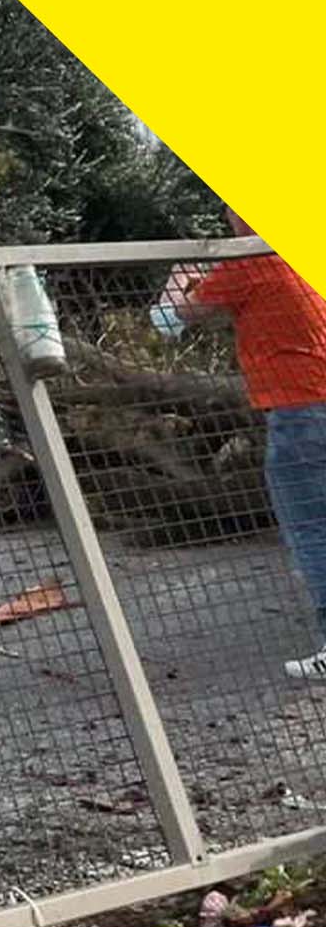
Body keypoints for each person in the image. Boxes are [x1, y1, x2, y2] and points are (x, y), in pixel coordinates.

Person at [156, 208, 326, 679]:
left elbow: (170, 320)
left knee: (310, 526)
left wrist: (180, 275)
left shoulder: (252, 260)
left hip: (300, 410)